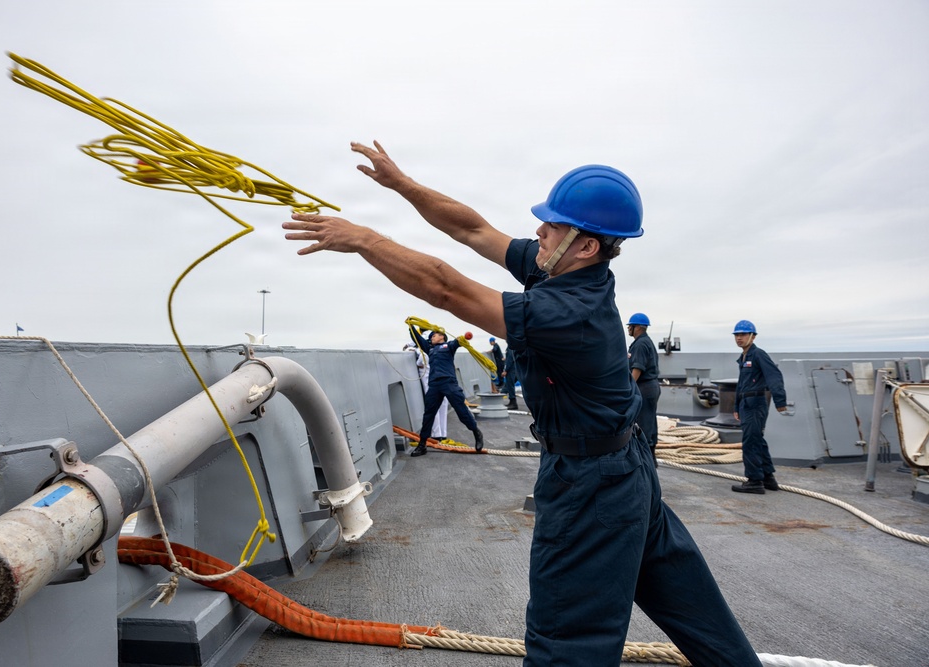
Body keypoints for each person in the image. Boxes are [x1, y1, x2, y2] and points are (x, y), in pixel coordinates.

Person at [283, 140, 761, 666]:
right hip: (628, 471)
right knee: (692, 608)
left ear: (585, 245)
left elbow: (446, 289)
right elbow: (473, 230)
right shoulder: (565, 269)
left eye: (551, 226)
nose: (538, 231)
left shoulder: (567, 312)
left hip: (591, 486)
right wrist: (403, 185)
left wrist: (365, 239)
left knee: (566, 643)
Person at [731, 320, 788, 494]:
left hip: (755, 404)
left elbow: (774, 376)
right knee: (757, 440)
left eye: (743, 334)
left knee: (750, 442)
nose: (739, 338)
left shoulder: (758, 355)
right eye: (737, 335)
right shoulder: (744, 357)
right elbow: (741, 384)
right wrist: (736, 406)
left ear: (753, 336)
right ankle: (768, 478)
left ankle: (754, 481)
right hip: (746, 404)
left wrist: (780, 401)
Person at [407, 326, 484, 455]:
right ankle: (422, 444)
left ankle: (476, 432)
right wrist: (411, 327)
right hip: (434, 385)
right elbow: (418, 339)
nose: (432, 338)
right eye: (431, 336)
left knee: (461, 411)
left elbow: (458, 342)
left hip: (449, 383)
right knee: (428, 415)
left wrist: (462, 339)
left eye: (434, 335)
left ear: (442, 336)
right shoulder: (429, 349)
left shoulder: (449, 346)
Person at [626, 312, 660, 461]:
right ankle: (650, 458)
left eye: (630, 326)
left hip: (644, 387)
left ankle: (645, 459)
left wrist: (629, 389)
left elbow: (637, 368)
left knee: (643, 423)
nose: (628, 329)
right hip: (650, 387)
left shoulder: (640, 344)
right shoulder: (646, 341)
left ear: (638, 327)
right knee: (650, 421)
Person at [404, 341, 448, 440]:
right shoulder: (440, 351)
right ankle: (443, 433)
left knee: (433, 407)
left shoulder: (421, 352)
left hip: (430, 383)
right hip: (443, 381)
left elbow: (420, 362)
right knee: (443, 407)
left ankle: (436, 434)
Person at [502, 342, 520, 411]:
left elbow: (509, 359)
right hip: (515, 369)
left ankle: (513, 403)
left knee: (510, 386)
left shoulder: (510, 347)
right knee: (509, 386)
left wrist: (505, 370)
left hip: (511, 370)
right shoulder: (514, 346)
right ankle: (511, 402)